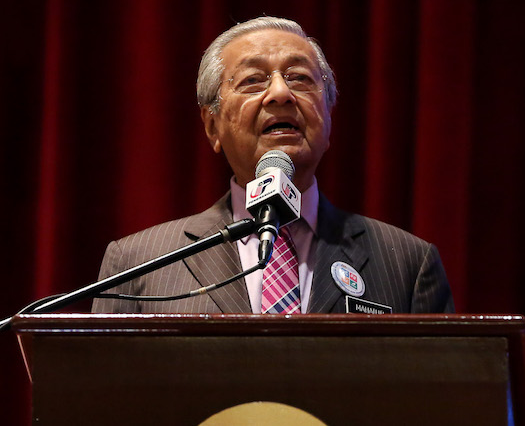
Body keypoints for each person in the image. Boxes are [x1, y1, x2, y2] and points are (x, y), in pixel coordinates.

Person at [91, 16, 453, 314]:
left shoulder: (408, 263)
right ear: (212, 125)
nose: (281, 93)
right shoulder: (138, 263)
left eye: (300, 78)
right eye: (253, 80)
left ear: (328, 118)